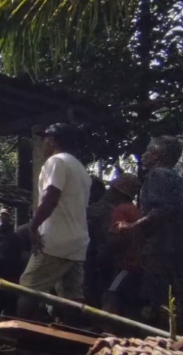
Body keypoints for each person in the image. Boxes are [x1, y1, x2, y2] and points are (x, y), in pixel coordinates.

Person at [18, 123, 92, 321]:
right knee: (72, 295)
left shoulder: (56, 162)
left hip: (54, 241)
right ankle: (75, 338)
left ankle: (17, 336)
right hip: (77, 241)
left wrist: (33, 227)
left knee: (28, 286)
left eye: (45, 139)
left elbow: (51, 196)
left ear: (52, 140)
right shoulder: (80, 168)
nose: (43, 144)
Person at [116, 136, 183, 324]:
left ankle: (166, 343)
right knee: (177, 300)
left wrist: (131, 226)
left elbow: (162, 210)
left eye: (149, 150)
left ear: (158, 154)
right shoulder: (178, 180)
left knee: (162, 301)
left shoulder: (158, 175)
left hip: (162, 250)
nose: (144, 155)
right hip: (177, 249)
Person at [99, 174, 142, 316]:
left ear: (119, 192)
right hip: (136, 264)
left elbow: (117, 239)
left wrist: (104, 253)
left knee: (111, 295)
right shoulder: (133, 209)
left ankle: (107, 329)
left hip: (127, 265)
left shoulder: (120, 210)